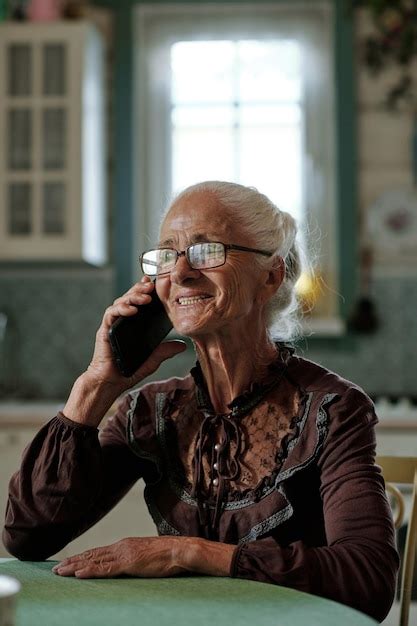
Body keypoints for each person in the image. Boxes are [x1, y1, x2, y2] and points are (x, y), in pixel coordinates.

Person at [3, 181, 398, 622]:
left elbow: (370, 580)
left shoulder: (331, 409)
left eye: (207, 250)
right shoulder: (150, 413)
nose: (180, 273)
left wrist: (187, 551)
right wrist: (96, 386)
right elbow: (28, 539)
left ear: (270, 277)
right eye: (167, 255)